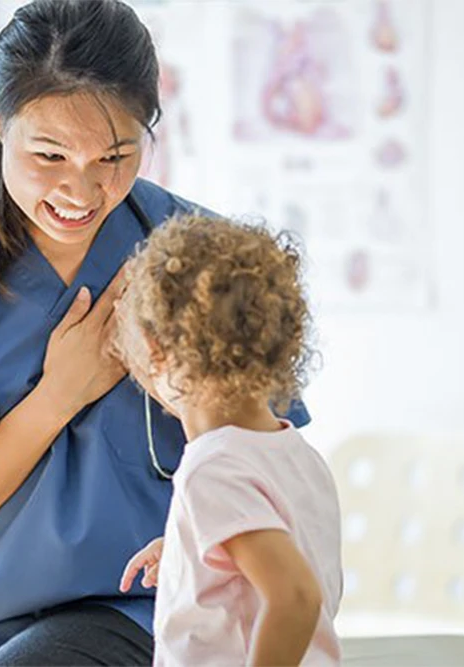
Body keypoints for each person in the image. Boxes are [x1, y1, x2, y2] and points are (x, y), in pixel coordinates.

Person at [0, 1, 310, 664]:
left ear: (150, 131)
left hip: (141, 613)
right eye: (49, 154)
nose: (83, 189)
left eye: (116, 154)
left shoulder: (200, 264)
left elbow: (268, 471)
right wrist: (59, 394)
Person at [115, 215, 342, 666]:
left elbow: (295, 596)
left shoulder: (212, 468)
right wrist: (189, 550)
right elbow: (282, 550)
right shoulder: (295, 454)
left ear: (154, 347)